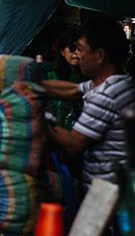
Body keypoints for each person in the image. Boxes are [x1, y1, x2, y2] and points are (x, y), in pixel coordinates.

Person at [43, 17, 135, 188]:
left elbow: (73, 144)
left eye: (81, 49)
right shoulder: (116, 82)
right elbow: (73, 90)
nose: (78, 55)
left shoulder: (106, 95)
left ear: (99, 55)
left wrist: (43, 118)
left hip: (108, 192)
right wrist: (35, 86)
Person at [46, 27, 85, 130]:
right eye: (72, 48)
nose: (76, 52)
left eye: (81, 49)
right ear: (62, 51)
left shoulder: (89, 78)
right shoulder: (50, 76)